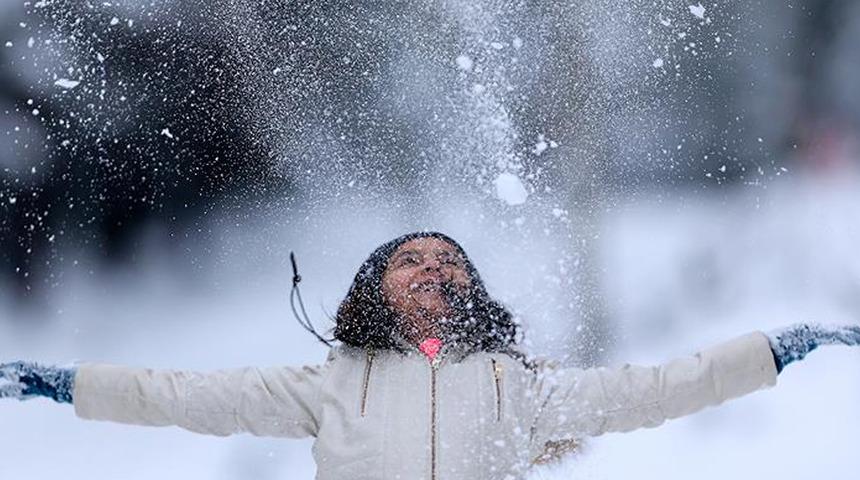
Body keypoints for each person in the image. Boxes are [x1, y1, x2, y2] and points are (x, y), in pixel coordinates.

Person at [1, 231, 859, 480]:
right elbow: (182, 394)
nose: (435, 267)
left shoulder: (517, 386)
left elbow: (654, 390)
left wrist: (771, 352)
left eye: (450, 260)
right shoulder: (329, 384)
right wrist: (67, 384)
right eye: (411, 258)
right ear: (375, 288)